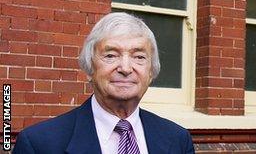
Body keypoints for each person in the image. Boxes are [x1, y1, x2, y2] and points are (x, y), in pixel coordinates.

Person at [14, 12, 195, 154]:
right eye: (111, 55)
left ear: (151, 71)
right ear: (89, 67)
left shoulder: (177, 140)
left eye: (139, 57)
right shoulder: (39, 144)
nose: (125, 68)